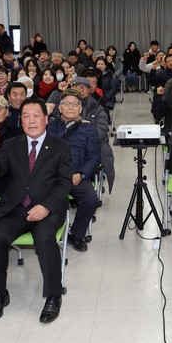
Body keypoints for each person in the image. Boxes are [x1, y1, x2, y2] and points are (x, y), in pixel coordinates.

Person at [0, 98, 72, 324]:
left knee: (44, 239)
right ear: (20, 120)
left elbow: (65, 183)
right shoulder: (11, 144)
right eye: (25, 116)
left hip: (46, 209)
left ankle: (53, 295)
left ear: (46, 119)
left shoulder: (60, 147)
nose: (31, 121)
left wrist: (46, 207)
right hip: (16, 209)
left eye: (36, 116)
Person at [46, 89, 100, 253]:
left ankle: (76, 234)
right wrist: (45, 116)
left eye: (75, 104)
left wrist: (81, 174)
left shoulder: (89, 129)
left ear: (80, 109)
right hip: (52, 176)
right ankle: (48, 232)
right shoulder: (48, 125)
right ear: (59, 108)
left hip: (77, 175)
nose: (70, 107)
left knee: (91, 200)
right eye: (66, 104)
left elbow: (94, 156)